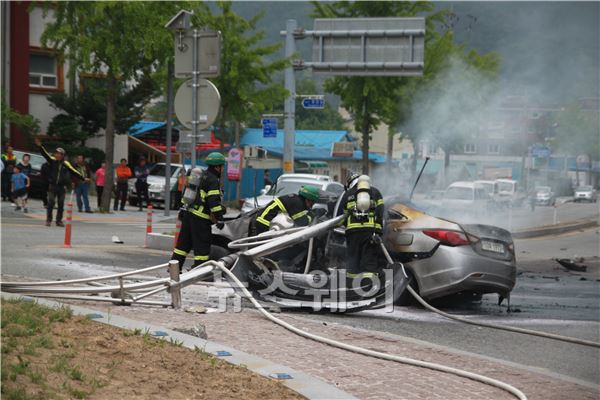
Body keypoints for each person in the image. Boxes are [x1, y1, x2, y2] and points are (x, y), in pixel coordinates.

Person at [171, 152, 226, 273]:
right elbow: (213, 202)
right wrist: (220, 219)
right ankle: (200, 271)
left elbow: (186, 193)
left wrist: (182, 210)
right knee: (202, 246)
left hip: (188, 214)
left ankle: (174, 268)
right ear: (217, 167)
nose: (222, 169)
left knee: (183, 244)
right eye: (222, 166)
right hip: (200, 219)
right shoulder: (213, 180)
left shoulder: (200, 176)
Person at [336, 172, 384, 278]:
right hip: (370, 233)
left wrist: (349, 226)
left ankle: (351, 287)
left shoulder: (346, 195)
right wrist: (379, 232)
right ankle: (370, 287)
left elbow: (341, 217)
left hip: (352, 233)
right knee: (369, 262)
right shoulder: (375, 192)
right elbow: (380, 213)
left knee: (353, 263)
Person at [35, 137, 85, 227]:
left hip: (62, 187)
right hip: (52, 186)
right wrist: (40, 146)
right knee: (51, 203)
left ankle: (59, 221)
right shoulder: (52, 161)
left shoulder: (66, 164)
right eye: (56, 153)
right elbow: (45, 154)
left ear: (62, 155)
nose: (57, 155)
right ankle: (48, 220)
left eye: (59, 154)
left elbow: (74, 171)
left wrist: (83, 178)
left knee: (61, 204)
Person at [252, 185, 320, 235]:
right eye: (312, 203)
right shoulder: (297, 203)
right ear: (308, 200)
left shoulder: (295, 200)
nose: (312, 206)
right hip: (264, 224)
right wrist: (313, 214)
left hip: (265, 223)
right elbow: (302, 222)